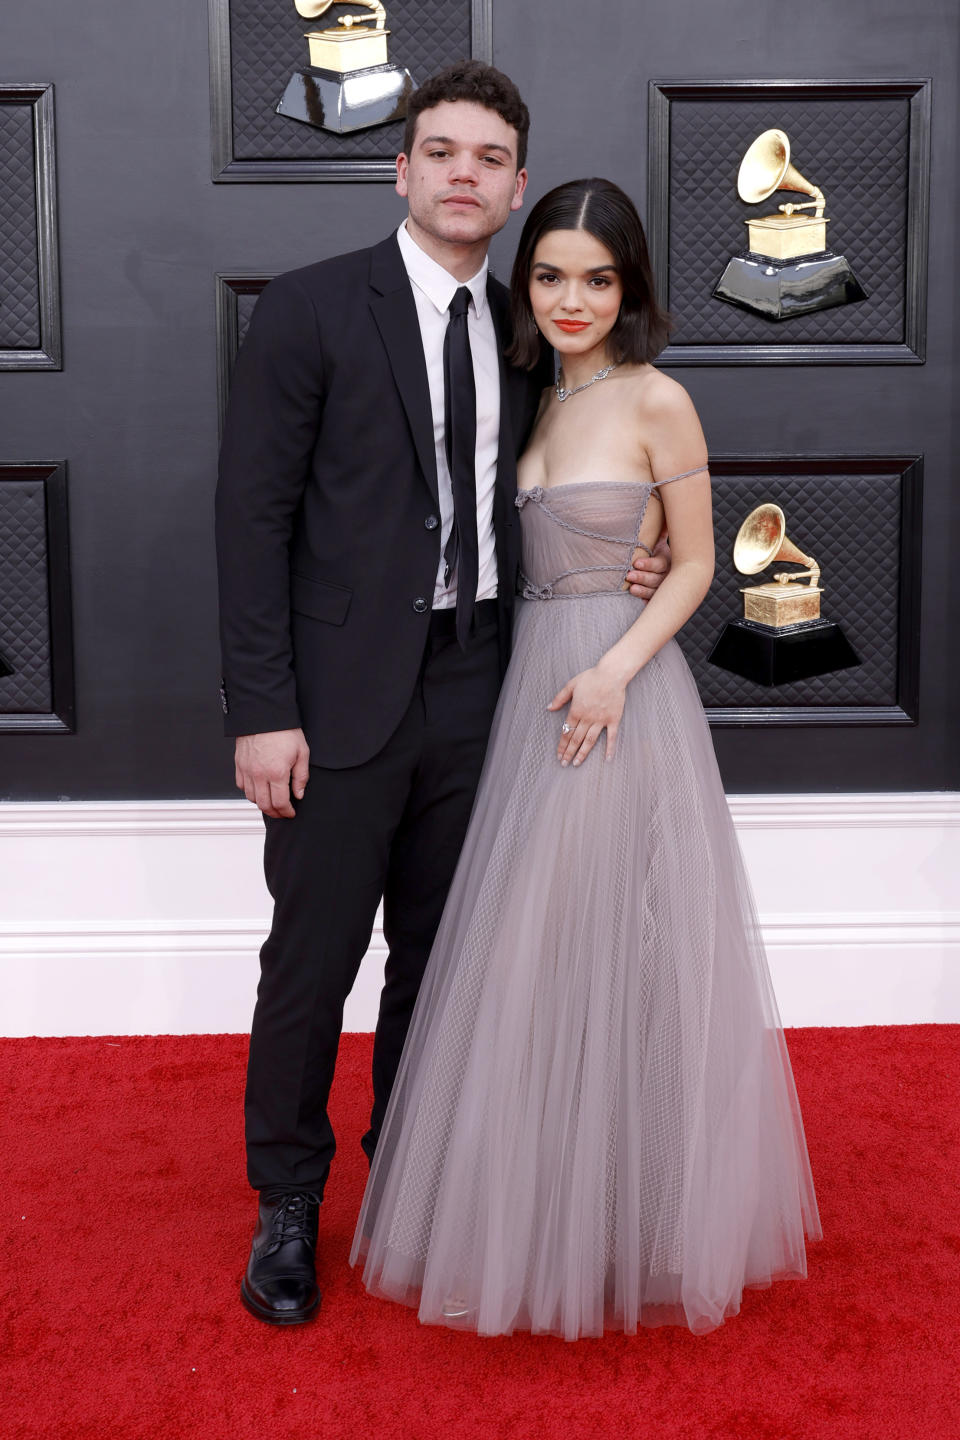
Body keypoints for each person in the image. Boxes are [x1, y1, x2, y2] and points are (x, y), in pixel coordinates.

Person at [215, 66, 670, 1326]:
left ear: (518, 187)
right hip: (336, 697)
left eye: (489, 158)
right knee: (311, 963)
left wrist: (631, 554)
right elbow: (249, 521)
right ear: (399, 168)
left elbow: (582, 480)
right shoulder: (307, 313)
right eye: (441, 150)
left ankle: (412, 1183)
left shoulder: (536, 336)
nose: (465, 173)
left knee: (446, 961)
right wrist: (263, 707)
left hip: (490, 683)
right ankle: (289, 1205)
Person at [350, 178, 822, 1339]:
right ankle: (542, 1213)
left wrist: (617, 669)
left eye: (598, 279)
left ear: (632, 287)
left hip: (619, 693)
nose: (572, 299)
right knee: (532, 954)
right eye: (552, 274)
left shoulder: (659, 398)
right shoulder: (527, 401)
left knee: (627, 950)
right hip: (531, 690)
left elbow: (704, 564)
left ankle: (636, 1224)